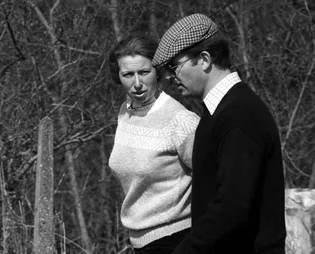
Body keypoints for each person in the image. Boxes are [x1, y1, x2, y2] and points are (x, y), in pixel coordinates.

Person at [152, 13, 286, 254]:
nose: (171, 78)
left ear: (204, 59)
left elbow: (232, 206)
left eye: (174, 66)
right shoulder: (219, 112)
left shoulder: (239, 116)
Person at [108, 34, 200, 253]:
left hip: (176, 239)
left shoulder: (180, 121)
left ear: (157, 71)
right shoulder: (125, 113)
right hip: (138, 241)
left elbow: (214, 180)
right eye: (128, 74)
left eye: (144, 72)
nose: (137, 83)